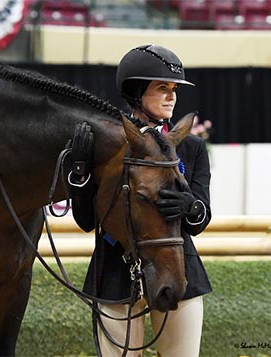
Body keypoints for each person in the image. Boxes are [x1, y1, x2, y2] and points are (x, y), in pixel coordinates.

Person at [67, 44, 212, 357]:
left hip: (177, 266)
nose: (172, 96)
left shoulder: (192, 147)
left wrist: (191, 207)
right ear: (136, 92)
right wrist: (79, 171)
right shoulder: (107, 145)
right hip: (115, 272)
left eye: (173, 89)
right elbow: (86, 221)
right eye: (162, 88)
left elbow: (200, 220)